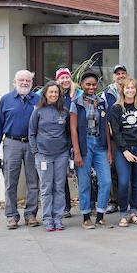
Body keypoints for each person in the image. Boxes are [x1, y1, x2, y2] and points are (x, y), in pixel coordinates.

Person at [0, 70, 41, 229]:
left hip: (33, 144)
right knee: (10, 182)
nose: (25, 83)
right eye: (21, 80)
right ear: (15, 82)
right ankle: (12, 216)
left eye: (28, 80)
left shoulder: (38, 100)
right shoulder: (5, 100)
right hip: (12, 143)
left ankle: (31, 215)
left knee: (33, 182)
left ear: (31, 83)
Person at [70, 69, 113, 229]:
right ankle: (86, 216)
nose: (91, 87)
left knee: (106, 181)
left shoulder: (102, 102)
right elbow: (73, 129)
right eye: (88, 84)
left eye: (94, 84)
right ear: (82, 85)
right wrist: (77, 152)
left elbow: (106, 127)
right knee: (85, 182)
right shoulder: (77, 104)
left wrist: (109, 150)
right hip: (84, 144)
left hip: (100, 144)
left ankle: (100, 215)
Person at [109, 78, 137, 227]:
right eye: (127, 88)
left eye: (132, 88)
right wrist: (125, 150)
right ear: (122, 90)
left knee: (136, 182)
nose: (130, 91)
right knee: (123, 182)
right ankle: (123, 213)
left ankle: (133, 212)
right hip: (123, 151)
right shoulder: (116, 108)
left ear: (136, 90)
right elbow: (116, 132)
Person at [28, 81, 69, 231]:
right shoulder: (37, 111)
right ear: (45, 94)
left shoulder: (64, 111)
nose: (53, 94)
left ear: (59, 95)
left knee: (59, 187)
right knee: (46, 188)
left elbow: (68, 133)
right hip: (43, 155)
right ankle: (47, 218)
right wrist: (36, 152)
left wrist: (68, 152)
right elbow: (31, 132)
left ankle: (57, 218)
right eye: (50, 92)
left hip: (61, 155)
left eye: (56, 92)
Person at [55, 67, 81, 219]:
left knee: (82, 173)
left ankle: (90, 204)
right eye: (62, 78)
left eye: (67, 78)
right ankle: (65, 206)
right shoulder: (54, 95)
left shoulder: (78, 94)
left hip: (77, 138)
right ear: (57, 80)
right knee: (62, 175)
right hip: (61, 140)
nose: (65, 80)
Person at [102, 64, 129, 214]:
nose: (120, 76)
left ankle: (126, 201)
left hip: (129, 138)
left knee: (126, 172)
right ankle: (113, 201)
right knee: (112, 170)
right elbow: (103, 116)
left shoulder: (131, 91)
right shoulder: (107, 94)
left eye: (123, 73)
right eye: (117, 73)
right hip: (112, 138)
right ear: (113, 77)